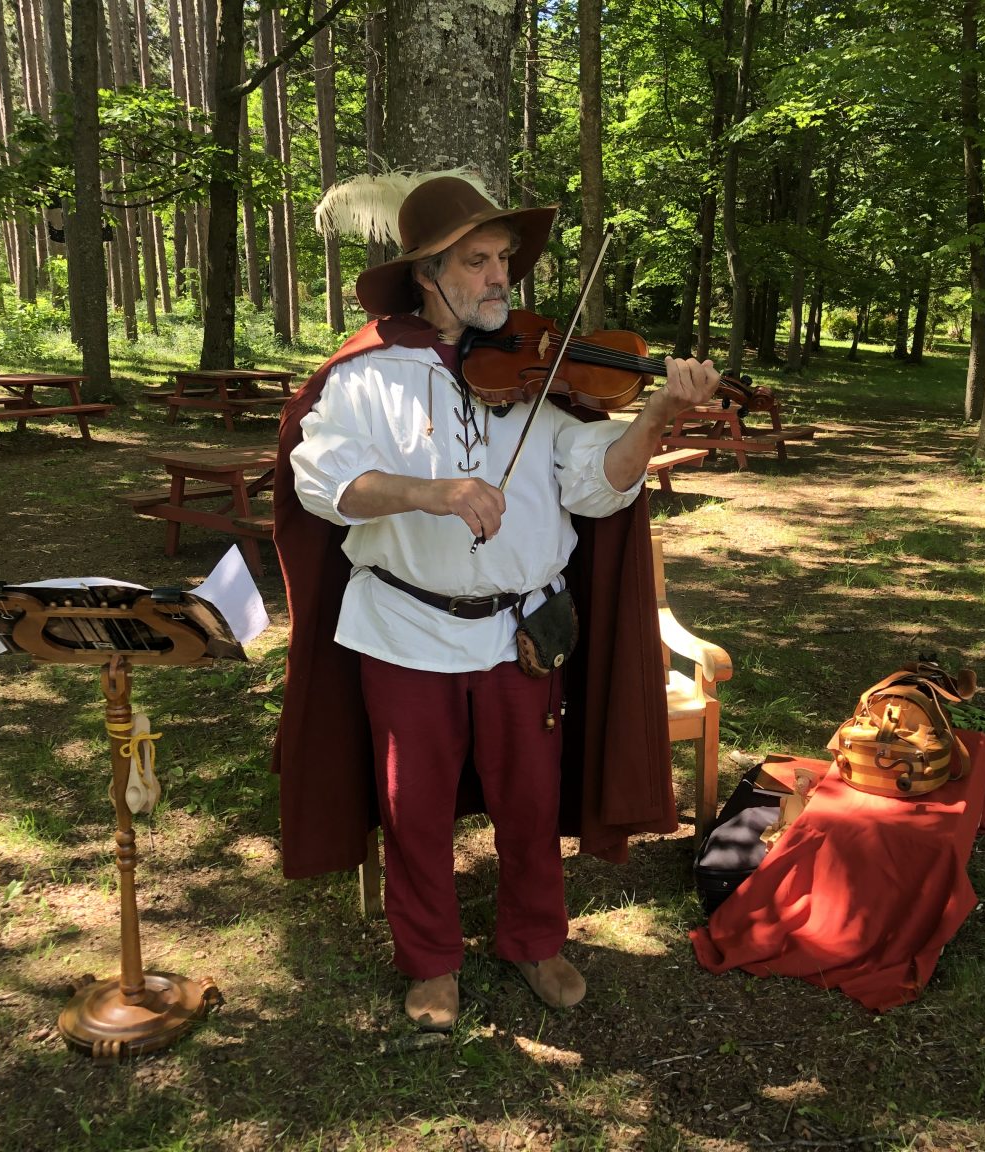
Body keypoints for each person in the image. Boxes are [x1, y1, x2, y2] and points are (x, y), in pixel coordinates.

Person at [270, 174, 722, 1031]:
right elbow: (328, 486)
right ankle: (431, 959)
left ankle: (534, 939)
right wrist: (431, 493)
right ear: (425, 276)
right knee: (415, 807)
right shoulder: (365, 378)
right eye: (477, 262)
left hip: (524, 630)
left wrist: (659, 408)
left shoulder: (543, 372)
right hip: (403, 627)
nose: (498, 279)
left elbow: (596, 487)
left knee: (528, 797)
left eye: (504, 260)